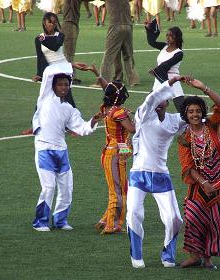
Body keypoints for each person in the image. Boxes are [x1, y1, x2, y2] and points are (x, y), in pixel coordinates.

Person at [31, 62, 104, 232]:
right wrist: (70, 65)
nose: (64, 87)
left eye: (66, 84)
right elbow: (49, 71)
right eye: (60, 84)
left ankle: (60, 221)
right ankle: (40, 222)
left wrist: (93, 120)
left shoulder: (70, 109)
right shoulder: (45, 97)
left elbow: (82, 129)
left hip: (61, 151)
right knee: (49, 187)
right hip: (44, 149)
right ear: (53, 86)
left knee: (66, 188)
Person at [126, 75, 186, 269]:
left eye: (163, 100)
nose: (158, 102)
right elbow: (151, 100)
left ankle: (168, 255)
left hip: (161, 175)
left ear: (168, 102)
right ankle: (136, 255)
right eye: (156, 99)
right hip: (139, 174)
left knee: (174, 218)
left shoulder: (174, 120)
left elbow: (197, 117)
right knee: (134, 213)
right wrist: (169, 83)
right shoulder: (143, 115)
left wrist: (203, 90)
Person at [177, 78, 220, 270]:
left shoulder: (212, 126)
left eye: (198, 110)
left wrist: (204, 88)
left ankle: (208, 258)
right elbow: (187, 166)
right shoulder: (184, 138)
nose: (195, 114)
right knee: (194, 217)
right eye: (190, 111)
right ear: (185, 114)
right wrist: (203, 182)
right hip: (199, 184)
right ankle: (195, 256)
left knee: (214, 220)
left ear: (203, 112)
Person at [89, 64, 136, 234]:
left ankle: (107, 220)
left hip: (113, 150)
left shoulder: (107, 108)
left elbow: (108, 89)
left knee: (120, 187)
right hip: (117, 151)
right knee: (119, 190)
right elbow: (131, 129)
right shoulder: (119, 111)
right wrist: (139, 119)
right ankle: (112, 224)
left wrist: (97, 74)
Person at [94, 0, 140, 87]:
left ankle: (103, 80)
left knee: (109, 55)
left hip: (115, 25)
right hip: (128, 25)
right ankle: (133, 79)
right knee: (128, 54)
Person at [145, 19, 184, 111]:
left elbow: (167, 64)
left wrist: (156, 70)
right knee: (149, 105)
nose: (168, 37)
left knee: (182, 109)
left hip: (173, 80)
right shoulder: (163, 46)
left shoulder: (179, 53)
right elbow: (152, 42)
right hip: (159, 79)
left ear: (177, 37)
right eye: (167, 35)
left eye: (171, 36)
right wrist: (149, 29)